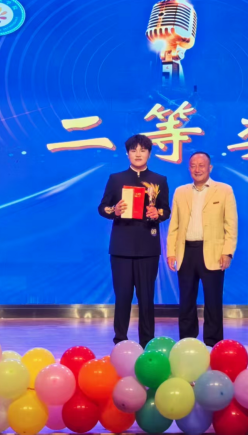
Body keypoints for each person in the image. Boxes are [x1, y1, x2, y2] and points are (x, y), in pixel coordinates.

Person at [98, 134, 170, 347]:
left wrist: (158, 213)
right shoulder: (116, 179)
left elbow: (166, 210)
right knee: (122, 297)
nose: (138, 154)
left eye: (143, 150)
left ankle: (147, 342)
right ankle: (120, 340)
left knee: (146, 298)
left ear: (149, 153)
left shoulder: (159, 180)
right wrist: (114, 210)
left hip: (148, 247)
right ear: (127, 153)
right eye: (133, 150)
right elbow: (102, 207)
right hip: (121, 247)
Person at [167, 152, 238, 346]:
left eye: (201, 165)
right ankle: (187, 342)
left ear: (210, 168)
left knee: (213, 301)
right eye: (193, 165)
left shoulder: (224, 190)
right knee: (186, 301)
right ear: (189, 168)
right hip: (186, 252)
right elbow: (174, 225)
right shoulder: (180, 192)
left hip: (213, 253)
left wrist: (227, 252)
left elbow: (231, 225)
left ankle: (213, 343)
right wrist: (171, 252)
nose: (197, 169)